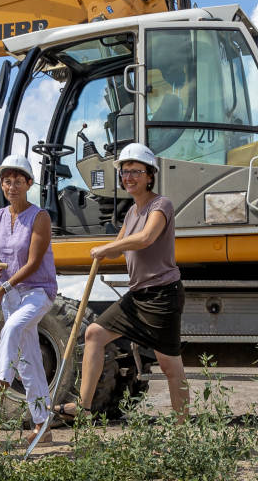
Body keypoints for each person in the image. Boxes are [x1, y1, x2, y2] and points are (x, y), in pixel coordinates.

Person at [58, 143, 188, 420]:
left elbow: (145, 239)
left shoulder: (160, 205)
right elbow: (119, 247)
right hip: (138, 295)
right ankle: (83, 406)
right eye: (124, 172)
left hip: (162, 295)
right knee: (94, 333)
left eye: (135, 172)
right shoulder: (131, 213)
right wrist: (102, 250)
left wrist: (106, 249)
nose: (128, 177)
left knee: (169, 364)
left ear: (150, 175)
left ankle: (183, 428)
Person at [0, 154, 58, 446]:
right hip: (10, 295)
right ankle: (43, 425)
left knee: (12, 328)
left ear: (29, 183)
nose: (11, 186)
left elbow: (34, 261)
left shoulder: (40, 217)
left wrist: (4, 287)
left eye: (18, 181)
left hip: (37, 292)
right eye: (6, 181)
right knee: (29, 362)